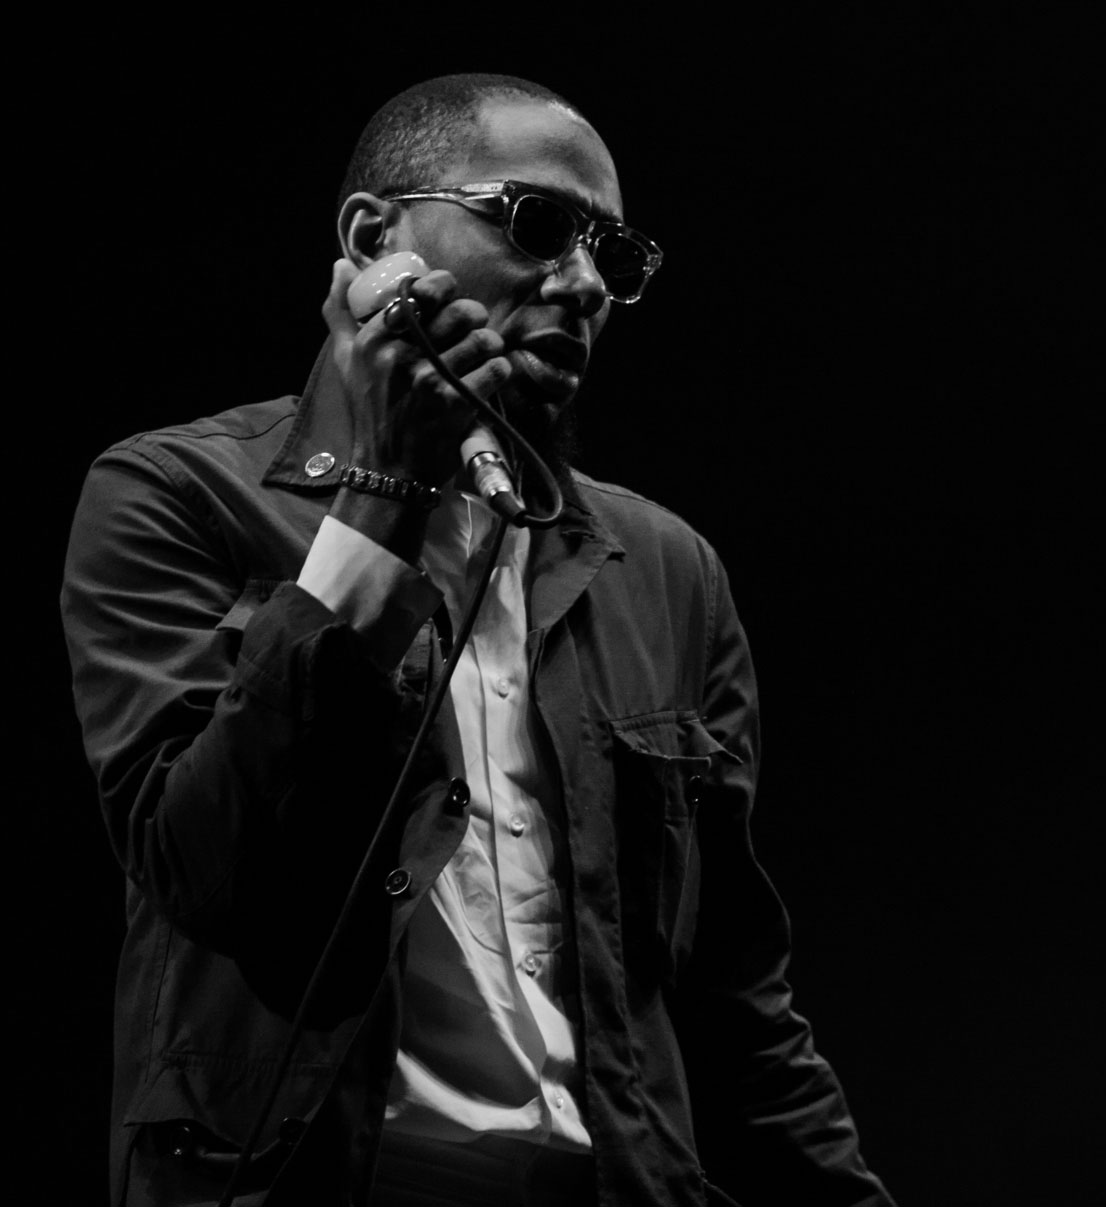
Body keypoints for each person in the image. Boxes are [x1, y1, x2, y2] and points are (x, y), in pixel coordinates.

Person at [61, 73, 896, 1207]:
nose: (583, 283)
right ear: (375, 242)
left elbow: (732, 1003)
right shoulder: (171, 496)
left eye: (614, 255)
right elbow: (208, 873)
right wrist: (382, 496)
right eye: (537, 223)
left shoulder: (665, 571)